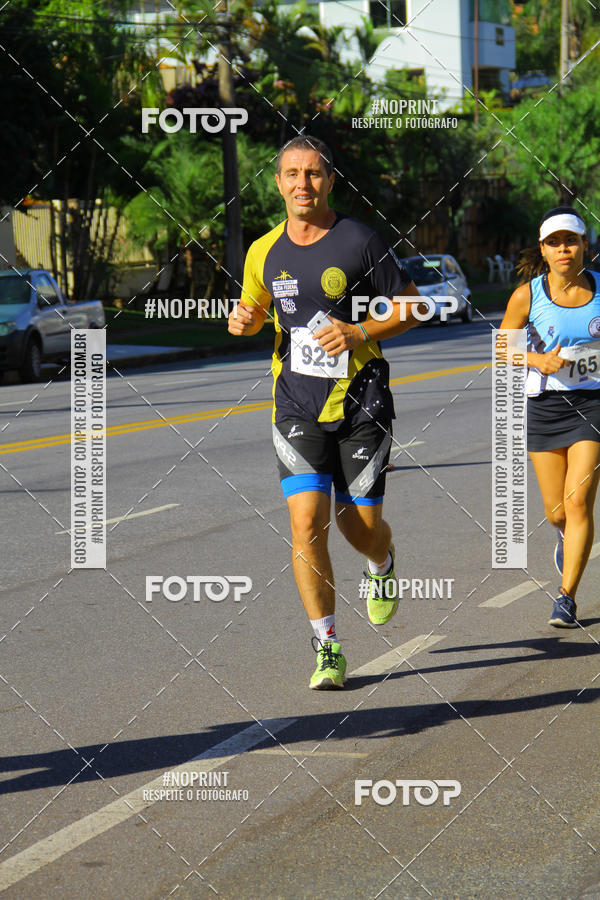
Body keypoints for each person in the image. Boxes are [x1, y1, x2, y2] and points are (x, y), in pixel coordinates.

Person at [228, 135, 423, 688]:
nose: (302, 184)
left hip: (362, 400)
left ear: (330, 181)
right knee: (306, 524)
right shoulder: (263, 250)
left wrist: (359, 331)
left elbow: (414, 306)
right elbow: (255, 307)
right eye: (292, 174)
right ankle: (327, 646)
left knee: (358, 528)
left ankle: (381, 562)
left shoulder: (360, 240)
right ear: (277, 183)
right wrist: (244, 320)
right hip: (296, 401)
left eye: (313, 173)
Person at [501, 205, 600, 627]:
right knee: (557, 511)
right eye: (554, 243)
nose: (563, 249)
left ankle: (566, 597)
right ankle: (564, 535)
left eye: (571, 241)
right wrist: (536, 360)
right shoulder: (528, 296)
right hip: (545, 406)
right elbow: (502, 348)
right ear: (542, 249)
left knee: (578, 501)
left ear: (584, 246)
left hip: (593, 405)